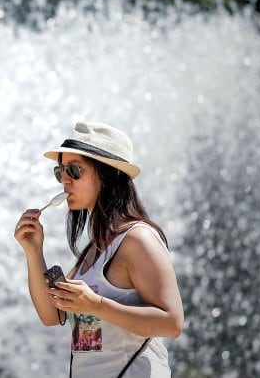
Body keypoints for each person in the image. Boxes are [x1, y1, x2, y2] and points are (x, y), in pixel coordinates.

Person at [14, 121, 184, 377]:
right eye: (60, 171)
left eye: (74, 170)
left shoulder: (138, 239)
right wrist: (34, 252)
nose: (65, 180)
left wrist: (95, 305)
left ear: (109, 174)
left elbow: (172, 323)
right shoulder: (94, 250)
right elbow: (52, 315)